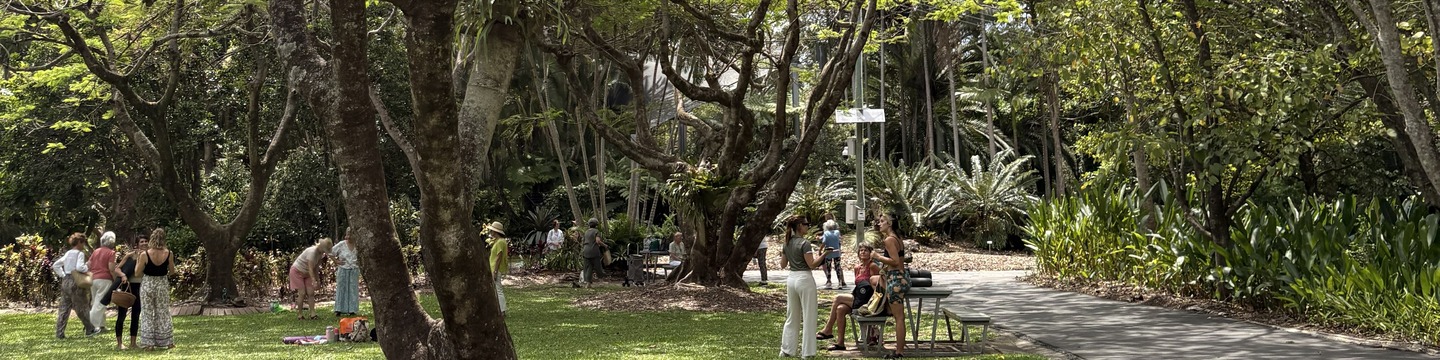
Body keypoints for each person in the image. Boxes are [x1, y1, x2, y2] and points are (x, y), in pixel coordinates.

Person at [778, 216, 837, 359]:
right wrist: (825, 254)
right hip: (804, 278)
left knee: (792, 315)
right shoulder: (805, 243)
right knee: (809, 315)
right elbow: (812, 264)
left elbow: (782, 265)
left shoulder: (787, 243)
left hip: (791, 279)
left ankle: (786, 349)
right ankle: (808, 352)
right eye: (805, 224)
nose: (807, 226)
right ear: (799, 226)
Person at [815, 243, 880, 350]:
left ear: (871, 253)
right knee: (840, 308)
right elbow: (858, 286)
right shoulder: (857, 268)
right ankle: (840, 343)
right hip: (859, 297)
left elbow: (877, 286)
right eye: (861, 250)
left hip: (868, 300)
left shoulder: (872, 266)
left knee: (837, 298)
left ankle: (828, 329)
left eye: (866, 250)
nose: (863, 252)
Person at [872, 213, 910, 359]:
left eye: (882, 221)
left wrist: (878, 257)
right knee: (874, 280)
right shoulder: (897, 237)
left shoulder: (889, 239)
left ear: (890, 223)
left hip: (896, 280)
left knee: (899, 318)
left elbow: (894, 261)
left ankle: (899, 352)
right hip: (902, 276)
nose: (879, 224)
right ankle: (886, 307)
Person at [54, 232, 100, 339]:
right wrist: (87, 267)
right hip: (76, 281)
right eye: (83, 242)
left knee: (64, 308)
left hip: (66, 281)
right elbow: (80, 267)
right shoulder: (79, 254)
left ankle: (59, 333)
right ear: (79, 242)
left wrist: (63, 275)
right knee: (82, 307)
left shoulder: (68, 253)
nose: (83, 245)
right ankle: (90, 329)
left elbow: (56, 265)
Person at [137, 228, 175, 350]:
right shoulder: (168, 253)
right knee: (163, 312)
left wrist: (138, 260)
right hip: (162, 283)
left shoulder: (145, 254)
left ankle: (149, 344)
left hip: (148, 283)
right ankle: (168, 342)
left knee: (147, 312)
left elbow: (137, 273)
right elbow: (173, 271)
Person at [114, 235, 147, 350]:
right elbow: (117, 268)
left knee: (136, 314)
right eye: (141, 242)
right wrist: (123, 275)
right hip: (127, 286)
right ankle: (120, 343)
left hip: (140, 286)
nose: (144, 243)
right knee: (122, 314)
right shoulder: (130, 255)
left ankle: (133, 343)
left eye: (146, 241)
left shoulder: (149, 255)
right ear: (137, 244)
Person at [289, 238, 333, 320]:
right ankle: (300, 314)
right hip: (297, 271)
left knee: (311, 292)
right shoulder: (312, 252)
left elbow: (316, 268)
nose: (324, 252)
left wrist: (318, 280)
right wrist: (313, 280)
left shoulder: (320, 254)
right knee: (302, 293)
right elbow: (310, 268)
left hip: (308, 273)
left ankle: (313, 313)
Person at [88, 231, 118, 332]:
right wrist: (115, 280)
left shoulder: (96, 251)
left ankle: (101, 325)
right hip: (105, 279)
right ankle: (90, 325)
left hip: (93, 279)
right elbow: (111, 268)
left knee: (95, 302)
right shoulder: (111, 253)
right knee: (100, 303)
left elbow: (88, 264)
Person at [330, 232, 360, 317]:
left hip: (354, 269)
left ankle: (352, 309)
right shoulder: (341, 244)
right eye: (348, 234)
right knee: (341, 288)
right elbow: (330, 252)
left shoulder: (358, 244)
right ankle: (339, 309)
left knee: (353, 289)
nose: (349, 237)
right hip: (343, 269)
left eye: (351, 234)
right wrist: (336, 261)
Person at [485, 222, 510, 313]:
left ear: (495, 231)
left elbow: (499, 257)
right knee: (496, 288)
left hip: (496, 269)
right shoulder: (500, 241)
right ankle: (498, 308)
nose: (491, 232)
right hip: (494, 268)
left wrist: (495, 271)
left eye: (492, 230)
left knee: (498, 289)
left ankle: (502, 310)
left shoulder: (500, 242)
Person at [577, 218, 606, 288]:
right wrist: (605, 245)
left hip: (585, 250)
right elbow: (598, 241)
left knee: (588, 267)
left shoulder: (586, 232)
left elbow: (583, 241)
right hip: (594, 251)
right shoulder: (596, 231)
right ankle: (601, 280)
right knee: (597, 265)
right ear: (596, 225)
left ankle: (588, 283)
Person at [820, 215, 844, 289]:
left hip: (828, 252)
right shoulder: (837, 232)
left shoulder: (826, 233)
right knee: (837, 267)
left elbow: (824, 243)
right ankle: (840, 282)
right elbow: (839, 240)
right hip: (836, 252)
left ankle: (829, 280)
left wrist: (820, 250)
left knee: (828, 267)